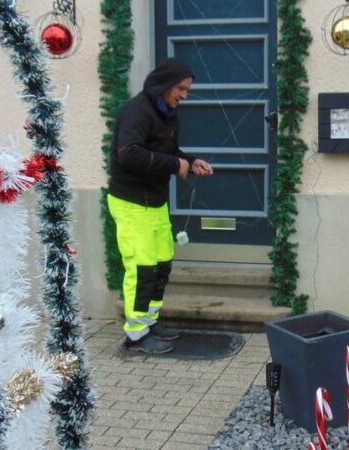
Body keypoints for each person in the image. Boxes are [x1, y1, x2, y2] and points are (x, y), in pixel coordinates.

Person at [107, 58, 213, 354]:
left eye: (187, 90)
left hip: (154, 202)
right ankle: (136, 336)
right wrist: (174, 163)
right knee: (141, 269)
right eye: (181, 88)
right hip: (131, 203)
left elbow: (167, 152)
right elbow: (129, 154)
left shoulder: (167, 113)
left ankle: (151, 322)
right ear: (164, 85)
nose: (185, 95)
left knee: (161, 264)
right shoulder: (136, 112)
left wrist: (191, 162)